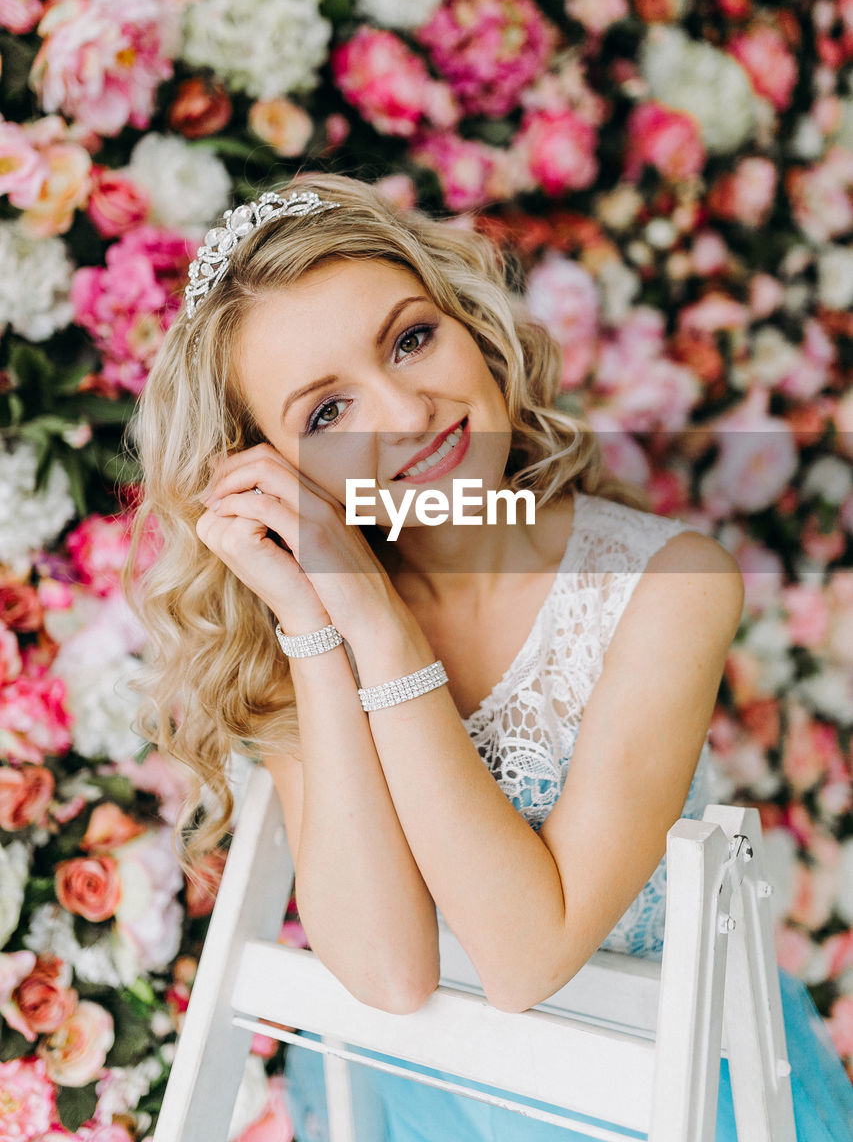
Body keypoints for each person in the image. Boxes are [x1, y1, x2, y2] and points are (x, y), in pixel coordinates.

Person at [124, 172, 853, 1141]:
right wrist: (315, 618)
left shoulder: (670, 584)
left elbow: (523, 955)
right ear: (271, 470)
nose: (405, 408)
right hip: (438, 1102)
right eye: (326, 412)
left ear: (470, 326)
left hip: (677, 1104)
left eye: (411, 337)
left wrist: (378, 626)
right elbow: (386, 970)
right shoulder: (296, 635)